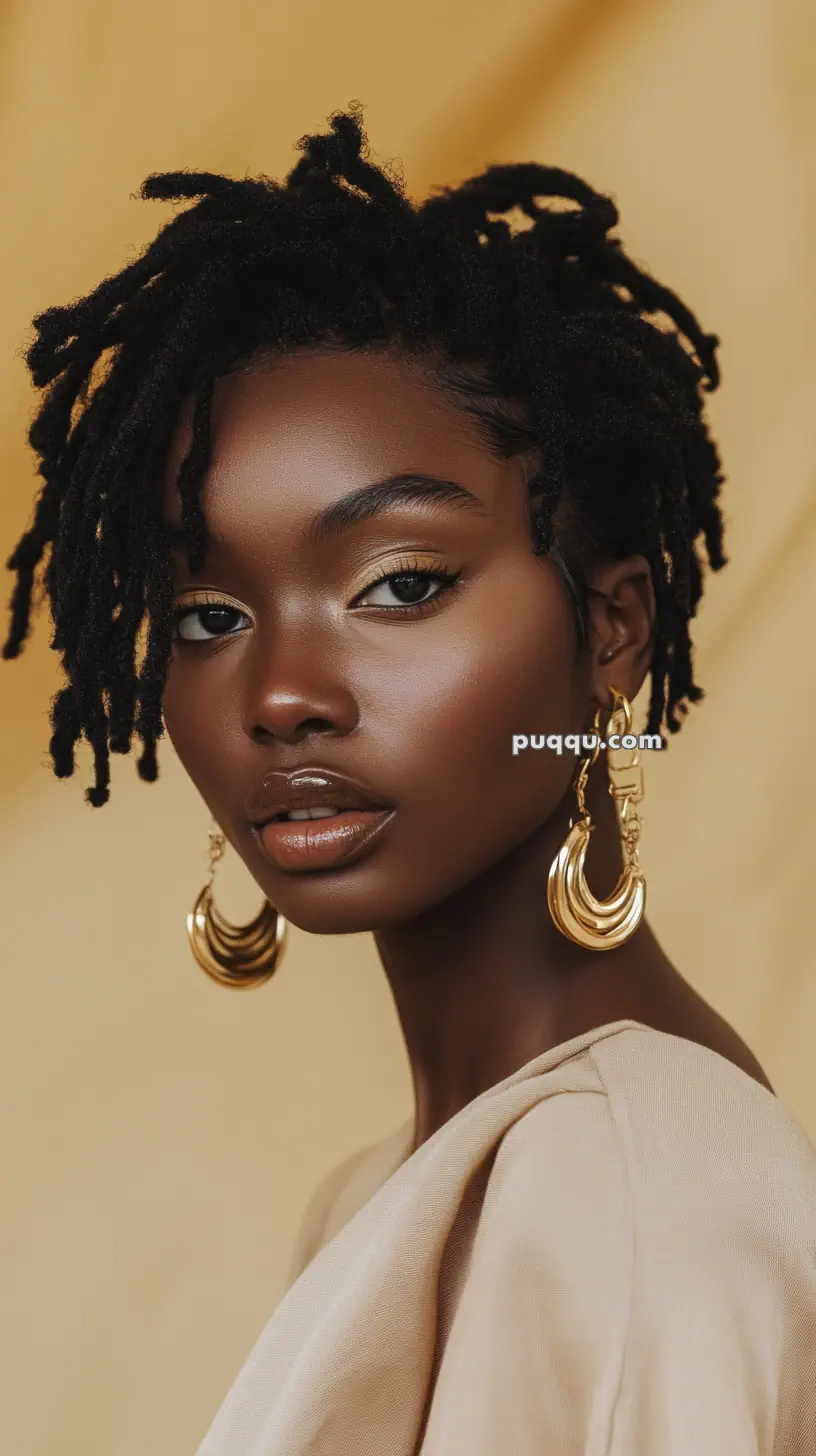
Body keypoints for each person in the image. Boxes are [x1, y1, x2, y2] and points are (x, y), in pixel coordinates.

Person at [4, 103, 815, 1454]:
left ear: (612, 628)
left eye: (400, 586)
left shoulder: (633, 1191)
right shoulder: (390, 1195)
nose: (281, 696)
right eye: (210, 615)